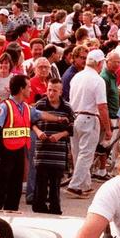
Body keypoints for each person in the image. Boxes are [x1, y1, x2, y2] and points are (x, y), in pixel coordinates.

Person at [66, 49, 110, 198]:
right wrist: (108, 128)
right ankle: (76, 185)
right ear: (99, 63)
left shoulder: (77, 77)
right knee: (86, 154)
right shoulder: (98, 80)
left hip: (75, 117)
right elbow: (102, 106)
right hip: (89, 117)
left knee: (77, 152)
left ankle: (84, 185)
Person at [29, 76, 72, 214]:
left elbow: (71, 129)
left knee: (55, 185)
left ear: (60, 92)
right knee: (40, 184)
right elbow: (31, 123)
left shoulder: (67, 107)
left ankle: (54, 210)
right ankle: (39, 209)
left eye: (54, 90)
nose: (51, 93)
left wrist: (59, 135)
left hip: (58, 154)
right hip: (42, 152)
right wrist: (38, 132)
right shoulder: (40, 105)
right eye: (49, 90)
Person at [0, 74, 31, 211]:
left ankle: (12, 214)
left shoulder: (25, 107)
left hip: (18, 152)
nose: (30, 89)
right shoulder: (5, 106)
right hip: (5, 153)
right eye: (28, 87)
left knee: (16, 188)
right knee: (2, 187)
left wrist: (59, 119)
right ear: (21, 89)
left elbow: (40, 114)